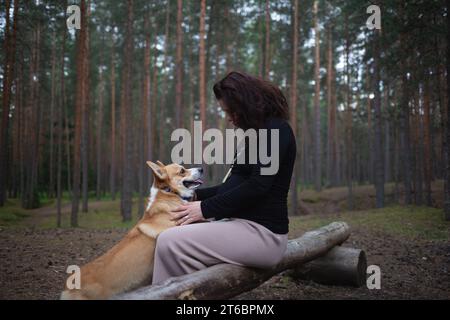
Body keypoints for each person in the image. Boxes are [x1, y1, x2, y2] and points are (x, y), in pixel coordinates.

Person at [151, 71, 297, 285]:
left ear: (246, 104)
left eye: (230, 111)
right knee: (171, 230)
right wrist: (191, 196)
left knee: (170, 241)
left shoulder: (276, 130)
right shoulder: (256, 135)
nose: (229, 118)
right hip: (242, 226)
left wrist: (205, 209)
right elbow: (232, 186)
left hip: (264, 235)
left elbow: (258, 186)